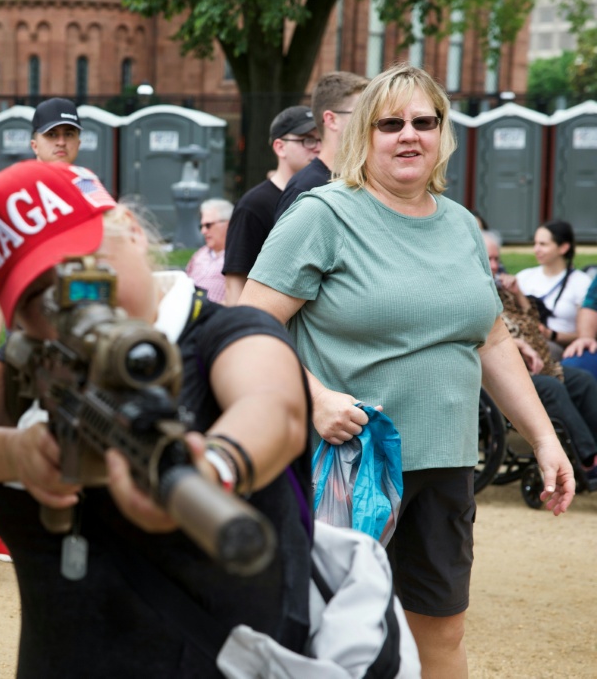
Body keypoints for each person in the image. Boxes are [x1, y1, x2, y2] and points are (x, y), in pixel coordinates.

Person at [0, 160, 313, 676]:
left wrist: (213, 470)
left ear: (133, 232)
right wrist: (11, 452)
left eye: (83, 268)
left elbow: (274, 410)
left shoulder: (225, 334)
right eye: (36, 298)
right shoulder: (32, 368)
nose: (69, 305)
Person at [238, 62, 574, 677]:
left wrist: (548, 439)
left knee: (440, 632)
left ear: (443, 133)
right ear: (365, 132)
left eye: (424, 121)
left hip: (445, 462)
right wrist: (312, 396)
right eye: (391, 123)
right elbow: (246, 326)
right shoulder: (322, 215)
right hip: (346, 464)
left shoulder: (460, 225)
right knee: (326, 634)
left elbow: (491, 340)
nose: (408, 135)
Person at [484, 232, 597, 478]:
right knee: (548, 387)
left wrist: (520, 297)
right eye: (488, 259)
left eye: (496, 259)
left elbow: (533, 328)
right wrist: (515, 344)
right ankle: (588, 459)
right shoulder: (469, 292)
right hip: (495, 372)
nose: (494, 265)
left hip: (534, 363)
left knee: (581, 380)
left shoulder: (501, 289)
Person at [0, 97, 83, 360]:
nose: (61, 141)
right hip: (29, 324)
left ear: (78, 143)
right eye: (52, 134)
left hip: (79, 320)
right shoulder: (17, 197)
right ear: (35, 145)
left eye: (68, 134)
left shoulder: (90, 192)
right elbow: (0, 279)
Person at [222, 105, 320, 305]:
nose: (317, 147)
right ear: (280, 147)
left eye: (321, 139)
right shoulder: (253, 205)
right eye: (308, 140)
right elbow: (235, 283)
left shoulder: (323, 197)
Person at [273, 71, 368, 222]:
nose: (370, 121)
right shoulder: (305, 189)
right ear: (331, 120)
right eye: (362, 113)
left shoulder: (363, 180)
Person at [514, 220, 590, 359]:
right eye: (535, 243)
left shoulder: (581, 282)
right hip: (522, 339)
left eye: (543, 244)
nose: (536, 249)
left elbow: (585, 336)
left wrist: (551, 334)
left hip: (558, 348)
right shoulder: (524, 277)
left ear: (563, 248)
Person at [185, 197, 232, 303]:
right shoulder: (199, 254)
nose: (203, 231)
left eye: (208, 225)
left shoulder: (238, 256)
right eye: (201, 226)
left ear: (228, 224)